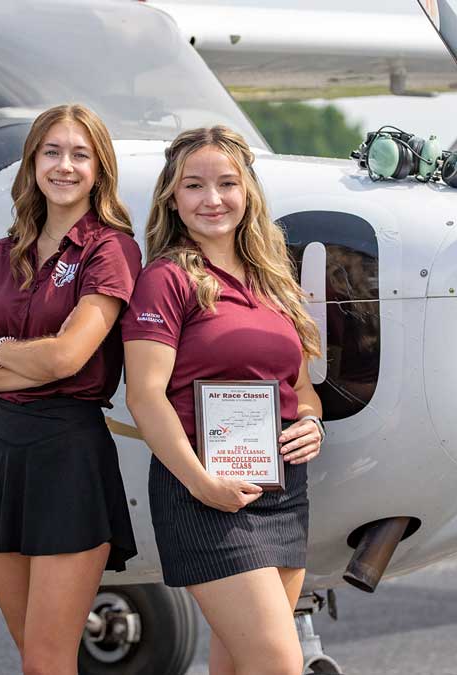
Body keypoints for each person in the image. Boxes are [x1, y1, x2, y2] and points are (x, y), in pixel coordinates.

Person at [121, 126, 325, 675]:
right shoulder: (164, 280)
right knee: (279, 665)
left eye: (227, 183)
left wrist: (312, 422)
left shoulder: (274, 281)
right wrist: (200, 483)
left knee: (237, 665)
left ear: (248, 193)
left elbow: (300, 388)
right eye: (194, 186)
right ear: (172, 196)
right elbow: (143, 396)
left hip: (281, 491)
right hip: (204, 494)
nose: (212, 199)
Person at [0, 103, 139, 675]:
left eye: (80, 154)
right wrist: (20, 361)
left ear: (99, 169)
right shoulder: (1, 255)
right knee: (33, 657)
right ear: (32, 162)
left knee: (47, 662)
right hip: (1, 449)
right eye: (52, 152)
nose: (65, 166)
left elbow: (67, 357)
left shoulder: (110, 249)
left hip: (67, 451)